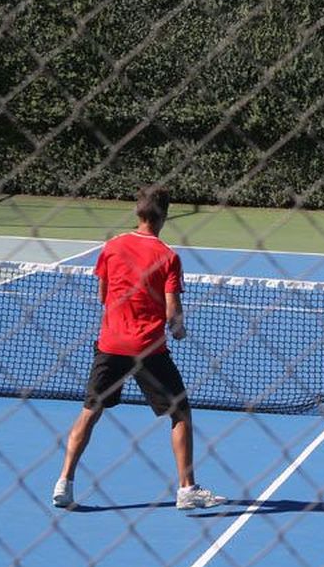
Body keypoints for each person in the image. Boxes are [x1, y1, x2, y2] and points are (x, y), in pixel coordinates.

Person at [52, 184, 225, 510]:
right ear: (165, 215)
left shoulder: (112, 247)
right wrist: (178, 329)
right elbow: (172, 310)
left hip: (110, 345)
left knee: (90, 412)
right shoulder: (168, 256)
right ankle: (187, 488)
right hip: (148, 350)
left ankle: (64, 482)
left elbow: (103, 295)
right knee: (180, 413)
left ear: (138, 212)